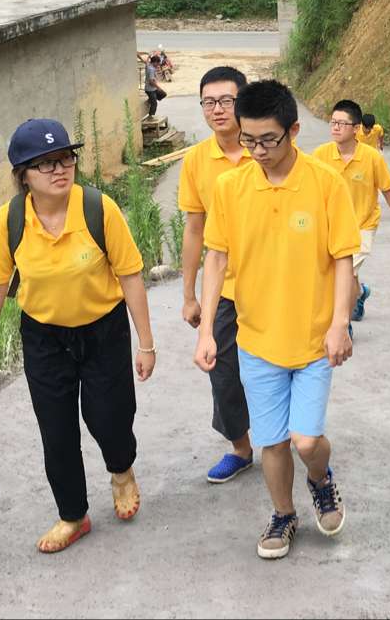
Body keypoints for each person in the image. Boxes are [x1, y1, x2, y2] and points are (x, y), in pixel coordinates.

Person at [0, 118, 155, 554]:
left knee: (109, 417)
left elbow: (130, 276)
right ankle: (73, 515)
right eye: (46, 163)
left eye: (66, 158)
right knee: (56, 429)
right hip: (44, 338)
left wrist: (145, 343)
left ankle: (121, 470)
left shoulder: (98, 209)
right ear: (23, 176)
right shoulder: (8, 222)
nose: (60, 169)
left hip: (103, 329)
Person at [193, 79, 361, 560]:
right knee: (271, 442)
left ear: (294, 130)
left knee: (305, 441)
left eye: (269, 139)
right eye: (248, 140)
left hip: (312, 341)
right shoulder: (230, 187)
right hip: (256, 339)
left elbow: (343, 258)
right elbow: (216, 258)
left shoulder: (325, 183)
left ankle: (320, 479)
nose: (259, 150)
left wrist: (339, 323)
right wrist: (206, 330)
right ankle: (284, 514)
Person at [178, 66, 256, 484]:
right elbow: (195, 229)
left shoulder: (267, 148)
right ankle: (241, 448)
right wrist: (189, 295)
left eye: (227, 100)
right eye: (209, 102)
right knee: (222, 371)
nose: (218, 109)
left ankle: (298, 441)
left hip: (272, 283)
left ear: (242, 101)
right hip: (224, 287)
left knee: (282, 365)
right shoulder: (196, 160)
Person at [312, 99, 390, 324]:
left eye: (341, 123)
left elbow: (387, 191)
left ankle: (343, 325)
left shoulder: (372, 157)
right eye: (333, 122)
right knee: (347, 274)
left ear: (356, 128)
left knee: (346, 274)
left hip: (363, 225)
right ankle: (360, 293)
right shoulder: (320, 155)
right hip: (332, 226)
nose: (335, 127)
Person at [142, 54, 165, 119]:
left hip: (151, 88)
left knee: (163, 94)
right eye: (157, 63)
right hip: (150, 90)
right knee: (154, 103)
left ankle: (150, 100)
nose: (158, 65)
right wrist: (158, 87)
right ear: (154, 62)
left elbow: (146, 62)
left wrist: (149, 57)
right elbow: (151, 82)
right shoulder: (151, 69)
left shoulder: (148, 65)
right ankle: (151, 116)